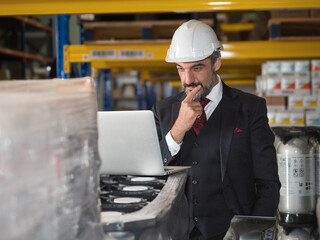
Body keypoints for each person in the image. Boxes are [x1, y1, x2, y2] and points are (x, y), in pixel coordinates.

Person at [152, 19, 280, 240]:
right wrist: (177, 131)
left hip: (233, 232)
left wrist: (254, 232)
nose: (187, 80)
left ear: (217, 63)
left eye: (197, 68)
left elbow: (268, 182)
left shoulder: (250, 108)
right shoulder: (162, 111)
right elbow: (152, 174)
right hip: (178, 233)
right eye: (180, 69)